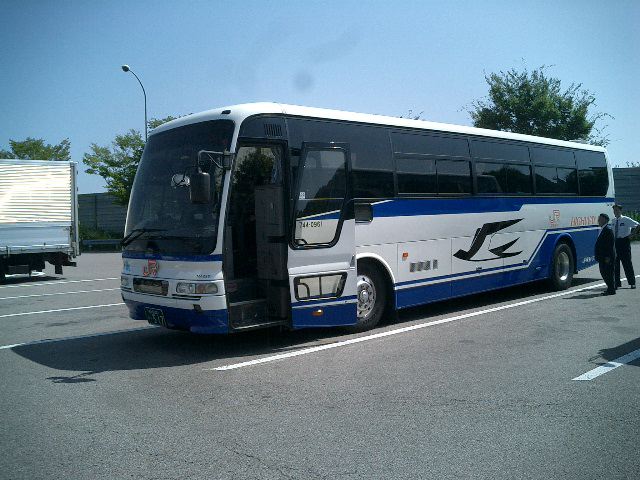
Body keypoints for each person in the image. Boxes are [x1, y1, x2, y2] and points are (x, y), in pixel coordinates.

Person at [612, 204, 639, 289]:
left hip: (624, 242)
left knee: (627, 263)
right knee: (615, 264)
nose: (615, 212)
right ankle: (616, 284)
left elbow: (638, 225)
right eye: (614, 210)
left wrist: (632, 235)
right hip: (616, 242)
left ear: (620, 211)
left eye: (617, 210)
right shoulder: (613, 221)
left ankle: (632, 283)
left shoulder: (626, 219)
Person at [595, 213, 616, 295]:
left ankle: (611, 290)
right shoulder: (602, 229)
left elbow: (610, 245)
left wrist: (608, 257)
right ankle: (610, 288)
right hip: (602, 256)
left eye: (600, 219)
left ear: (605, 220)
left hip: (607, 256)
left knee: (608, 273)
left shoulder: (608, 230)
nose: (598, 220)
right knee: (604, 272)